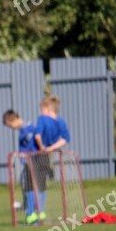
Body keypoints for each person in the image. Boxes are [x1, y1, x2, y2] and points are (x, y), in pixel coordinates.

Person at [31, 95, 71, 223]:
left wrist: (42, 147)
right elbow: (65, 139)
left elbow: (37, 136)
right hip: (47, 156)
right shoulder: (61, 122)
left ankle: (31, 214)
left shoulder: (42, 119)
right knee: (42, 185)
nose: (41, 112)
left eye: (41, 109)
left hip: (36, 155)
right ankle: (41, 212)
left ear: (47, 108)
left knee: (31, 185)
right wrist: (51, 148)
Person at [2, 109, 39, 224]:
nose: (11, 128)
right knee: (25, 184)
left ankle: (31, 213)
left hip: (33, 162)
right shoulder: (23, 131)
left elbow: (36, 143)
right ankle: (28, 207)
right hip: (27, 163)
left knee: (29, 187)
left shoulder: (30, 129)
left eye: (10, 125)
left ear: (14, 119)